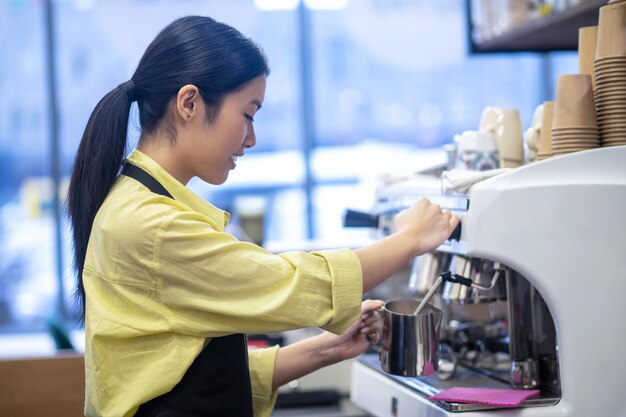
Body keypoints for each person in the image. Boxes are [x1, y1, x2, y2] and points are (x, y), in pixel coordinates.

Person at [67, 15, 459, 417]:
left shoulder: (136, 205)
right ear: (189, 103)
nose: (251, 138)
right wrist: (409, 240)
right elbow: (291, 284)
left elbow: (183, 376)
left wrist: (330, 347)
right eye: (248, 114)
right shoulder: (152, 225)